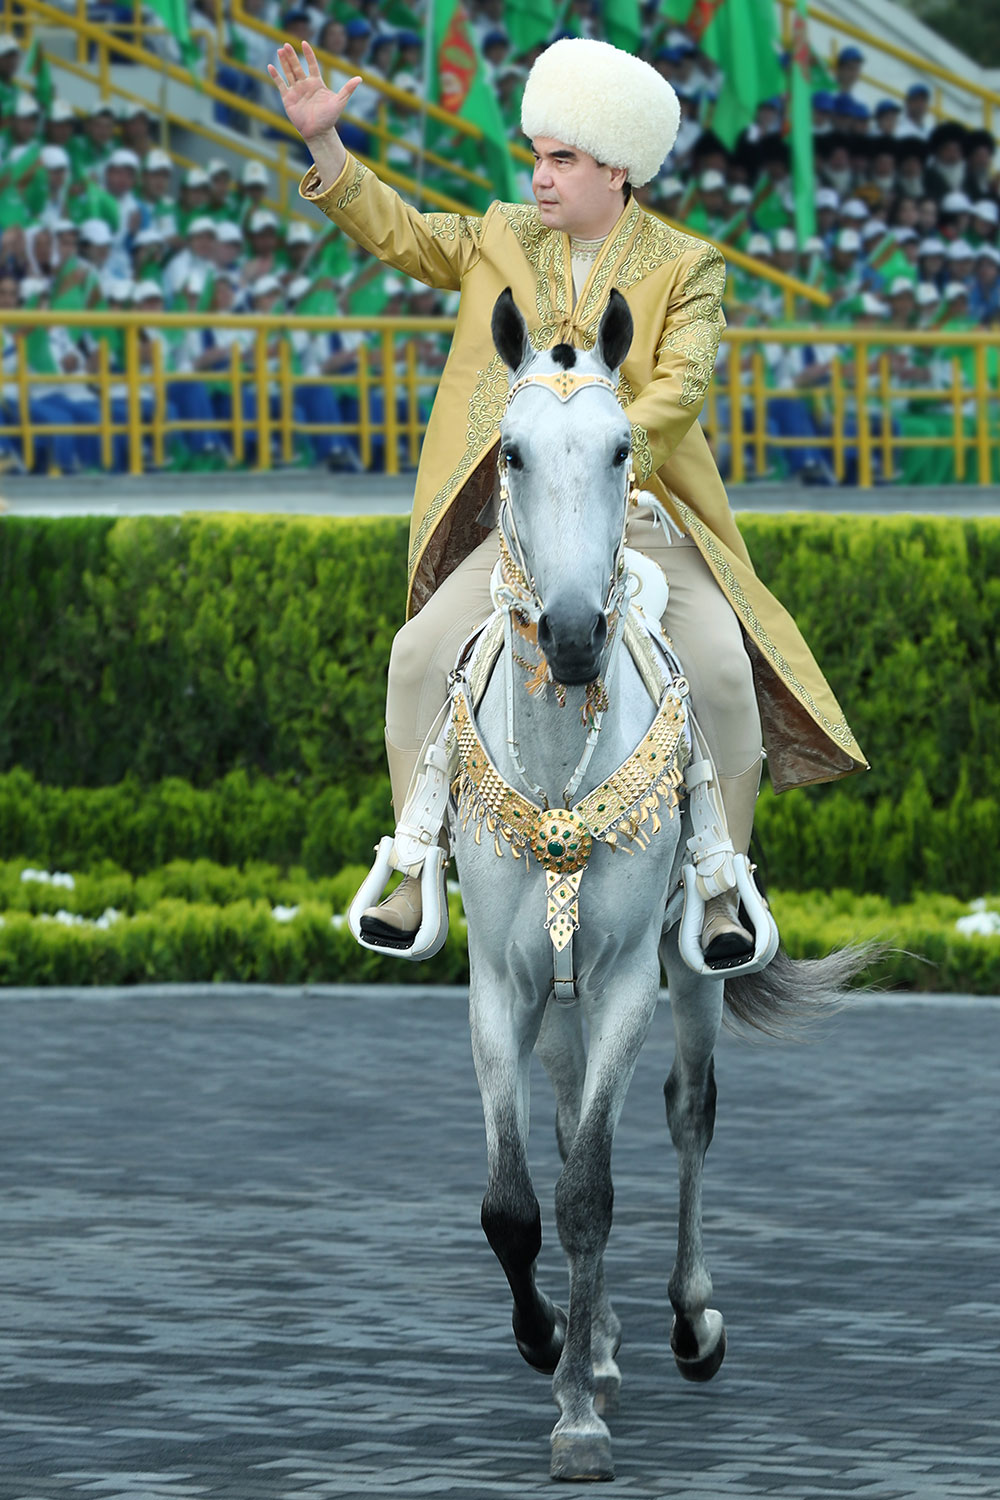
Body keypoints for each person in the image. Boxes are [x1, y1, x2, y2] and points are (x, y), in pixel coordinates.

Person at [268, 36, 867, 962]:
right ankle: (417, 860)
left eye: (562, 159)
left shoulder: (687, 264)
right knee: (419, 653)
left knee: (719, 673)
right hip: (523, 533)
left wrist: (601, 446)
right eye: (537, 155)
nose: (540, 177)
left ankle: (721, 883)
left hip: (644, 519)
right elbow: (406, 234)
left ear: (618, 170)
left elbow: (683, 385)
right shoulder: (500, 232)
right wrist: (327, 150)